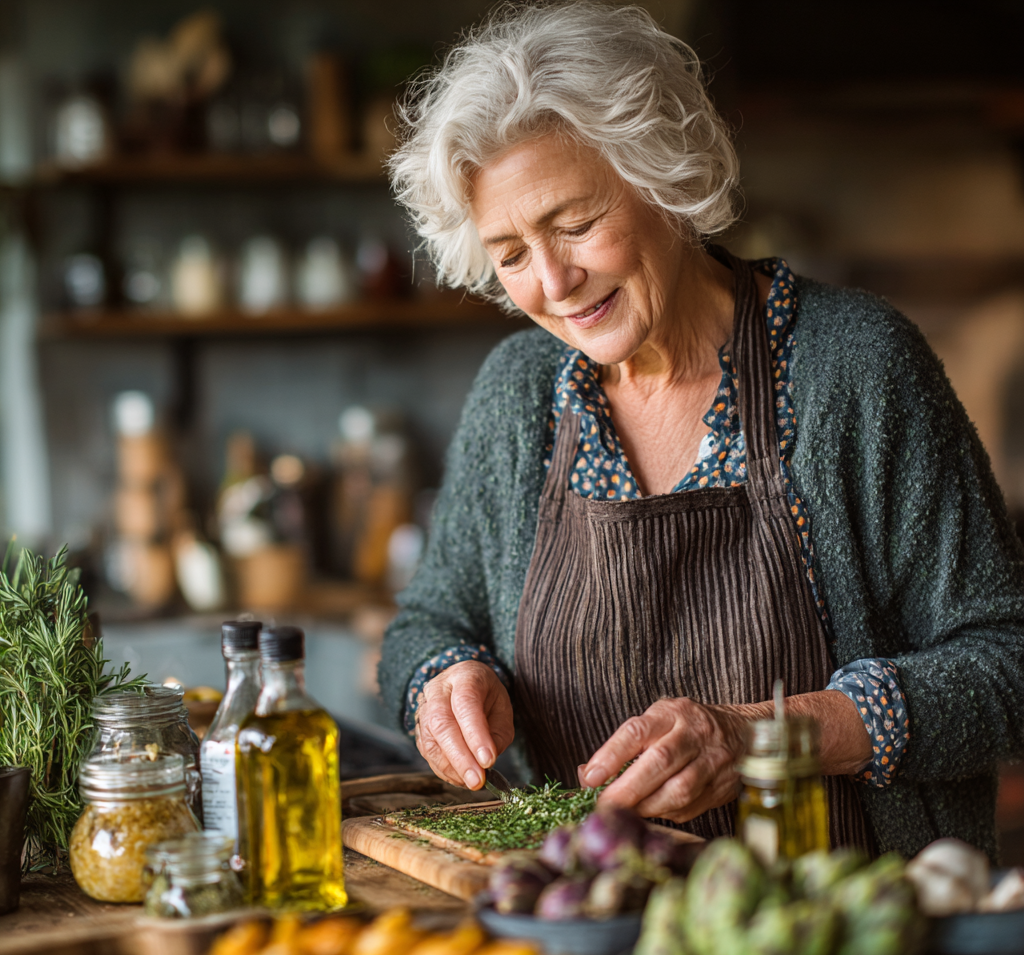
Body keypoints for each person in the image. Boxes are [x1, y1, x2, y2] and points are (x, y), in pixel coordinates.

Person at [379, 2, 1024, 857]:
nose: (555, 280)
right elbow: (425, 623)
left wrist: (765, 738)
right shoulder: (520, 392)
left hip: (840, 930)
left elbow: (1005, 664)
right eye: (510, 253)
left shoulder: (856, 366)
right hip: (583, 914)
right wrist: (443, 681)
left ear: (663, 178)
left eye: (576, 225)